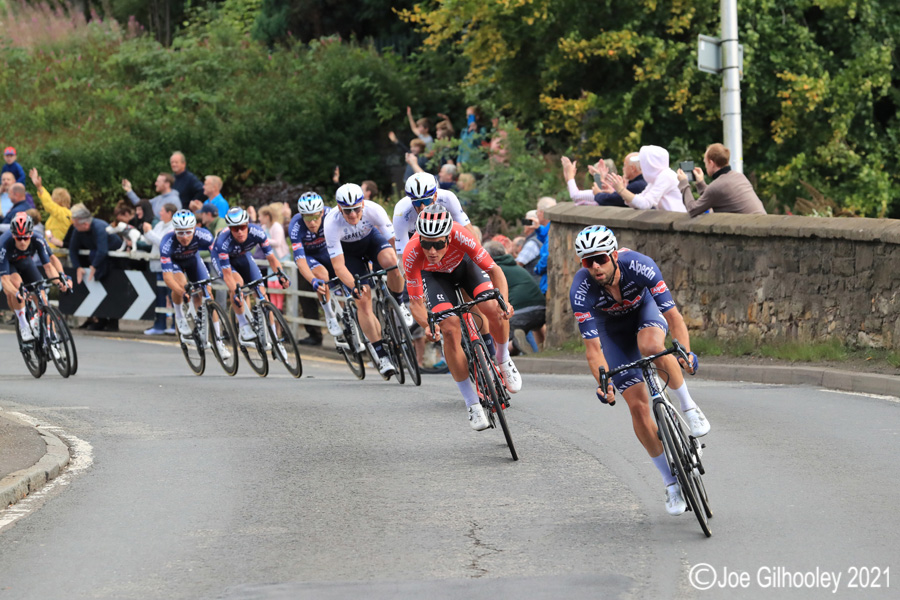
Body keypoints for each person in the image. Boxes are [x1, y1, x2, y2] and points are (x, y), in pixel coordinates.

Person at [568, 224, 709, 516]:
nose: (595, 266)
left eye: (601, 259)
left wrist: (684, 350)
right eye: (587, 261)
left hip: (645, 312)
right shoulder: (581, 290)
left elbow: (673, 315)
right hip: (612, 331)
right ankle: (670, 484)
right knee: (636, 406)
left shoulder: (640, 265)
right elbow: (594, 350)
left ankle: (689, 407)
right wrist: (604, 383)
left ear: (614, 255)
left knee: (651, 346)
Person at [403, 205, 521, 430]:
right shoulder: (412, 253)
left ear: (449, 237)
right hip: (435, 278)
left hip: (464, 266)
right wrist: (427, 324)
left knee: (492, 307)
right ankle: (472, 403)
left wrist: (504, 301)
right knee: (449, 328)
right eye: (426, 243)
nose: (432, 250)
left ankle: (503, 358)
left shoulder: (462, 235)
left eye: (438, 243)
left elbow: (495, 270)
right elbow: (416, 303)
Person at [324, 183, 403, 377]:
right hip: (349, 255)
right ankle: (381, 354)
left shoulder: (374, 210)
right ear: (339, 208)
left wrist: (401, 266)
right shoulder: (331, 222)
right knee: (363, 300)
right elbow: (339, 266)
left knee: (392, 261)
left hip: (371, 242)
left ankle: (400, 304)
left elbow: (395, 244)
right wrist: (354, 286)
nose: (352, 215)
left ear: (363, 205)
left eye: (356, 209)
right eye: (347, 211)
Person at [159, 210, 231, 358]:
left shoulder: (203, 235)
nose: (184, 237)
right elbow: (167, 277)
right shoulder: (167, 242)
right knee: (181, 283)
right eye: (180, 233)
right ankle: (180, 317)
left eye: (187, 232)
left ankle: (218, 342)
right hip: (175, 264)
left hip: (193, 261)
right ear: (174, 230)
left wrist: (222, 274)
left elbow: (216, 256)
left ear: (194, 228)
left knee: (207, 294)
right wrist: (182, 292)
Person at [212, 207, 288, 345]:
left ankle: (274, 339)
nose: (240, 231)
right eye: (235, 229)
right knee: (237, 284)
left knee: (262, 293)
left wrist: (280, 275)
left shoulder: (258, 232)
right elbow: (228, 275)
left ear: (247, 225)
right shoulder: (222, 242)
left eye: (242, 227)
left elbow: (271, 258)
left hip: (242, 255)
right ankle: (243, 325)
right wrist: (235, 292)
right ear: (229, 228)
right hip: (222, 259)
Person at [0, 214, 69, 341]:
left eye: (26, 238)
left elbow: (49, 265)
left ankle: (52, 339)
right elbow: (4, 280)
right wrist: (16, 293)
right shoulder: (4, 243)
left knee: (43, 298)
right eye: (18, 238)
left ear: (31, 234)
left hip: (25, 262)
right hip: (9, 265)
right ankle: (23, 325)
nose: (22, 242)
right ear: (13, 235)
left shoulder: (38, 238)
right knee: (16, 286)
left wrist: (60, 280)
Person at [289, 192, 340, 345]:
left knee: (346, 282)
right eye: (307, 217)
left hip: (329, 252)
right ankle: (329, 315)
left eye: (316, 216)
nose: (312, 222)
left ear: (322, 212)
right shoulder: (296, 225)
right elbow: (300, 260)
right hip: (310, 258)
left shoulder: (331, 216)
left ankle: (351, 325)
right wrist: (313, 280)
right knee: (322, 276)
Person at [393, 173, 474, 259]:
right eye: (417, 202)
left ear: (435, 196)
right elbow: (402, 253)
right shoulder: (401, 211)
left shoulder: (448, 198)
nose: (422, 207)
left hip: (445, 235)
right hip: (416, 237)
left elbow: (469, 233)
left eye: (427, 201)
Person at [69, 203, 123, 331]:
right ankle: (99, 319)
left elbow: (102, 250)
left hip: (113, 261)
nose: (74, 227)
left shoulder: (99, 227)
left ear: (85, 224)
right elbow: (72, 249)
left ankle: (112, 321)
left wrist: (94, 266)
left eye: (76, 224)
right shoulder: (78, 230)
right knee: (97, 289)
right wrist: (78, 267)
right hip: (99, 260)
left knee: (111, 289)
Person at [484, 241, 546, 352]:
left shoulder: (493, 272)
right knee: (533, 325)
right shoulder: (516, 267)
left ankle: (514, 345)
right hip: (542, 311)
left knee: (502, 337)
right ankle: (541, 350)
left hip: (520, 314)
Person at [678, 143, 767, 217]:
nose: (705, 166)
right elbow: (714, 196)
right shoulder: (739, 176)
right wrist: (700, 183)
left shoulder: (717, 186)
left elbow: (692, 210)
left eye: (705, 162)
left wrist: (684, 183)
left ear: (711, 163)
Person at [605, 145, 686, 213]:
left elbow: (645, 204)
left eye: (642, 162)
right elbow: (638, 201)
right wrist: (621, 190)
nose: (640, 165)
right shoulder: (658, 177)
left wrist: (621, 189)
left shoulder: (666, 176)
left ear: (650, 163)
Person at [139, 203, 177, 335]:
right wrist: (146, 232)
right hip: (156, 266)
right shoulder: (160, 225)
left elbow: (163, 243)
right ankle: (159, 325)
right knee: (159, 296)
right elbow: (150, 241)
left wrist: (149, 232)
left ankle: (174, 326)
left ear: (169, 213)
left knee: (172, 296)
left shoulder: (174, 227)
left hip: (168, 267)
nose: (160, 213)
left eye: (162, 211)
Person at [28, 168, 71, 253]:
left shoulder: (63, 212)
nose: (51, 198)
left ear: (58, 199)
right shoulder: (55, 215)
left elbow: (49, 204)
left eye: (53, 196)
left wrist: (40, 188)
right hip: (51, 252)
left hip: (59, 253)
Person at [532, 196, 556, 294]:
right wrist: (538, 229)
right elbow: (545, 238)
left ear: (542, 213)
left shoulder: (552, 233)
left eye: (537, 211)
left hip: (548, 284)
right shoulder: (552, 227)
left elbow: (547, 256)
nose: (537, 214)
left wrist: (537, 268)